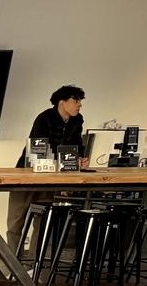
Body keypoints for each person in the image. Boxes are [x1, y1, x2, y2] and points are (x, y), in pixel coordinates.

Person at [6, 85, 87, 256]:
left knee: (42, 220)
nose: (79, 104)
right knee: (16, 222)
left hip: (50, 178)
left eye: (80, 101)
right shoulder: (44, 118)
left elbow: (77, 145)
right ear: (62, 102)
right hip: (27, 175)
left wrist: (79, 159)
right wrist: (65, 160)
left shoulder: (77, 120)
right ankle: (13, 263)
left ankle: (33, 262)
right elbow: (38, 150)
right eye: (75, 100)